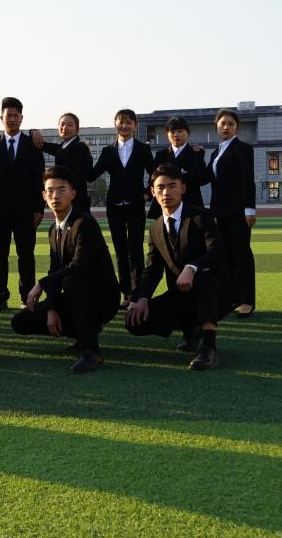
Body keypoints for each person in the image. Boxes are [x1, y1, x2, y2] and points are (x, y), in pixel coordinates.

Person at [11, 167, 120, 374]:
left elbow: (80, 265)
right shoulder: (54, 229)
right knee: (21, 321)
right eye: (50, 191)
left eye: (61, 190)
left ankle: (91, 350)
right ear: (44, 195)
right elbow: (55, 269)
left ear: (73, 193)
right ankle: (85, 330)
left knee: (71, 280)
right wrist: (51, 307)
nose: (55, 196)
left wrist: (41, 283)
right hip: (76, 295)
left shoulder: (84, 223)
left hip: (102, 298)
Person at [126, 164, 232, 370]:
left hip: (214, 292)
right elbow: (152, 268)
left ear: (183, 188)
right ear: (153, 192)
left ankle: (209, 347)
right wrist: (142, 298)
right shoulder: (156, 226)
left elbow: (217, 250)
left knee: (202, 278)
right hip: (181, 294)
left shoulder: (201, 216)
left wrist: (192, 267)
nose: (166, 192)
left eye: (172, 186)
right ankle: (191, 328)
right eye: (161, 187)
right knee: (134, 322)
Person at [0, 96, 45, 311]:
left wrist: (39, 208)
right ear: (2, 118)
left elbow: (39, 179)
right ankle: (0, 296)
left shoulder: (32, 145)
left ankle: (27, 297)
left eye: (16, 116)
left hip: (26, 211)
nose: (13, 119)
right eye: (9, 116)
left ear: (21, 118)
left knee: (26, 255)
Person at [88, 109, 155, 309]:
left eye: (128, 122)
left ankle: (137, 293)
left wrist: (148, 193)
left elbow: (154, 173)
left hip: (135, 204)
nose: (124, 126)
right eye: (121, 122)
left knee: (136, 249)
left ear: (134, 125)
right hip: (114, 205)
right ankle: (126, 293)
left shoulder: (143, 149)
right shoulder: (108, 151)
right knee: (120, 250)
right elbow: (92, 175)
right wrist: (84, 152)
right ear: (115, 124)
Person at [208, 108, 257, 317]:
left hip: (238, 212)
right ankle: (233, 298)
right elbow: (206, 177)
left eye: (230, 124)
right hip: (219, 212)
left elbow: (247, 180)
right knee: (225, 256)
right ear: (216, 127)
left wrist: (249, 209)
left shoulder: (243, 149)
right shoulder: (216, 152)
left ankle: (247, 300)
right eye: (222, 124)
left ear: (237, 127)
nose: (226, 127)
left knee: (241, 255)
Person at [147, 117, 212, 220]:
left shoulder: (196, 154)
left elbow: (200, 177)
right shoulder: (161, 155)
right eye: (172, 132)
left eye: (180, 131)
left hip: (191, 202)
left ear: (188, 133)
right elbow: (153, 178)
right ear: (167, 134)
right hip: (165, 206)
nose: (176, 135)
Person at [32, 112, 94, 213]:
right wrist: (33, 132)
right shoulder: (61, 148)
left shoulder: (80, 147)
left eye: (70, 125)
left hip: (76, 203)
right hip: (65, 200)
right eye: (62, 124)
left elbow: (78, 177)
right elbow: (41, 144)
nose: (65, 128)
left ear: (77, 129)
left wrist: (52, 175)